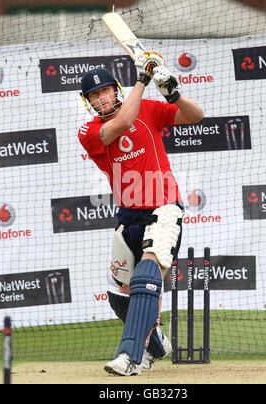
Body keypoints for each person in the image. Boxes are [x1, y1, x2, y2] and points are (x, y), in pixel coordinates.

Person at [78, 51, 204, 376]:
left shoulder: (148, 108)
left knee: (148, 275)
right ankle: (156, 343)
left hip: (164, 207)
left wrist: (173, 93)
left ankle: (129, 355)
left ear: (115, 90)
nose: (102, 97)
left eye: (105, 90)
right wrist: (142, 80)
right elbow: (123, 123)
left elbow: (196, 116)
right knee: (119, 295)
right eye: (94, 94)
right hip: (127, 217)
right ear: (88, 102)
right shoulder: (89, 131)